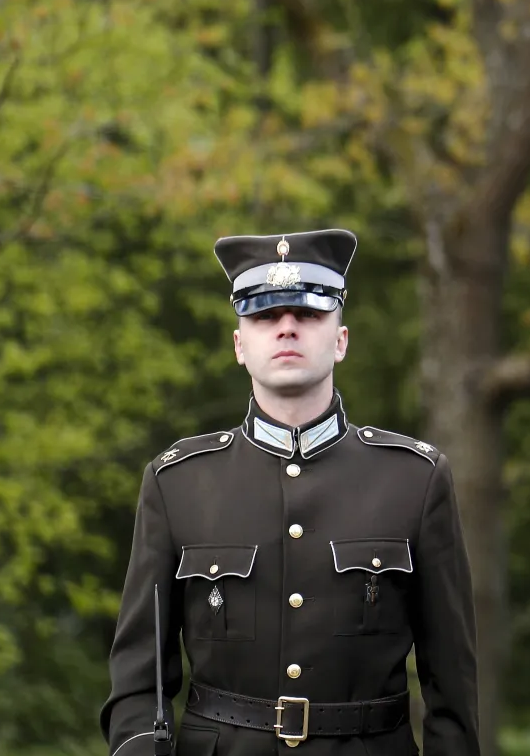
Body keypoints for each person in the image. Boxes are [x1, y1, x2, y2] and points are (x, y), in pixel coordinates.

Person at [101, 229, 479, 756]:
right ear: (240, 345)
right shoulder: (179, 482)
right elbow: (139, 679)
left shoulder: (414, 479)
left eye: (307, 315)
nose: (286, 329)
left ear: (341, 339)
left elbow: (452, 686)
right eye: (263, 317)